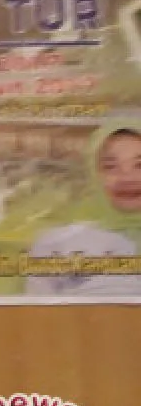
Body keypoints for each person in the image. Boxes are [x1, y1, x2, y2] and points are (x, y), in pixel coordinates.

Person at [26, 122, 141, 295]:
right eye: (110, 166)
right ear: (93, 173)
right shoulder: (55, 244)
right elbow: (37, 310)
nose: (127, 178)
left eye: (139, 165)